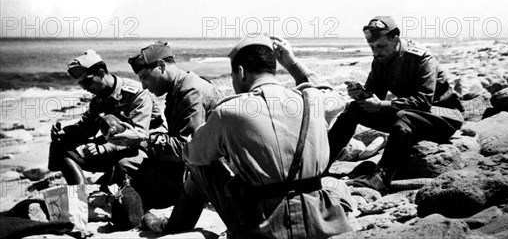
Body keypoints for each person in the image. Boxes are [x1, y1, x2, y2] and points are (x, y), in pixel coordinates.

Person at [142, 35, 353, 238]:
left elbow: (193, 155)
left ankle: (171, 227)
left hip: (262, 228)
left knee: (201, 168)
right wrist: (292, 62)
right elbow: (331, 93)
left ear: (241, 72)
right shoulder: (313, 100)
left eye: (233, 75)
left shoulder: (230, 111)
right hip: (316, 221)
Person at [327, 16, 464, 191]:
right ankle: (319, 165)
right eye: (372, 47)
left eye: (381, 46)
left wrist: (381, 105)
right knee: (354, 109)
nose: (376, 52)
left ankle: (380, 178)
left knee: (403, 116)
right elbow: (374, 95)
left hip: (443, 116)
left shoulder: (423, 58)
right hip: (412, 117)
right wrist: (361, 95)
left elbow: (423, 101)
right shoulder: (381, 60)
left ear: (396, 39)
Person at [108, 41, 223, 209]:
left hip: (205, 173)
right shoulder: (180, 88)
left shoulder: (190, 92)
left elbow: (186, 148)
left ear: (161, 65)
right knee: (126, 165)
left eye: (145, 77)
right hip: (194, 165)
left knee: (130, 172)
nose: (144, 86)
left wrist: (143, 139)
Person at [49, 50, 161, 188]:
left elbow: (138, 135)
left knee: (122, 165)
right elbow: (85, 128)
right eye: (81, 84)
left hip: (147, 146)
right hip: (115, 146)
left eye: (88, 82)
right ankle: (80, 196)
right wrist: (64, 134)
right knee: (66, 150)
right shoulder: (99, 101)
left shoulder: (136, 93)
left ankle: (113, 181)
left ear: (101, 73)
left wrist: (103, 148)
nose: (86, 88)